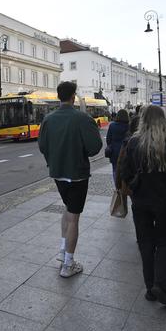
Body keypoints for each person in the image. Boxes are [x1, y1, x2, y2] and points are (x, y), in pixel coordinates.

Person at [119, 105, 166, 307]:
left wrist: (132, 186)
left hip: (140, 201)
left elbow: (124, 171)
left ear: (142, 120)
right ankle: (161, 285)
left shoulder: (134, 142)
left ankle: (150, 288)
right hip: (164, 202)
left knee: (146, 243)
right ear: (163, 120)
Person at [38, 81, 103, 278]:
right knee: (74, 217)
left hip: (58, 172)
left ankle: (62, 251)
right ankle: (68, 264)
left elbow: (42, 146)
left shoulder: (48, 119)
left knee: (67, 209)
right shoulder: (82, 118)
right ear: (73, 96)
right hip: (77, 174)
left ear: (59, 96)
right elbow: (94, 148)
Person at [105, 109, 130, 185]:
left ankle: (117, 187)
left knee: (115, 169)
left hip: (115, 152)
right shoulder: (129, 126)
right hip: (126, 151)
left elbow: (108, 139)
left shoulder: (112, 125)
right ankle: (125, 186)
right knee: (127, 169)